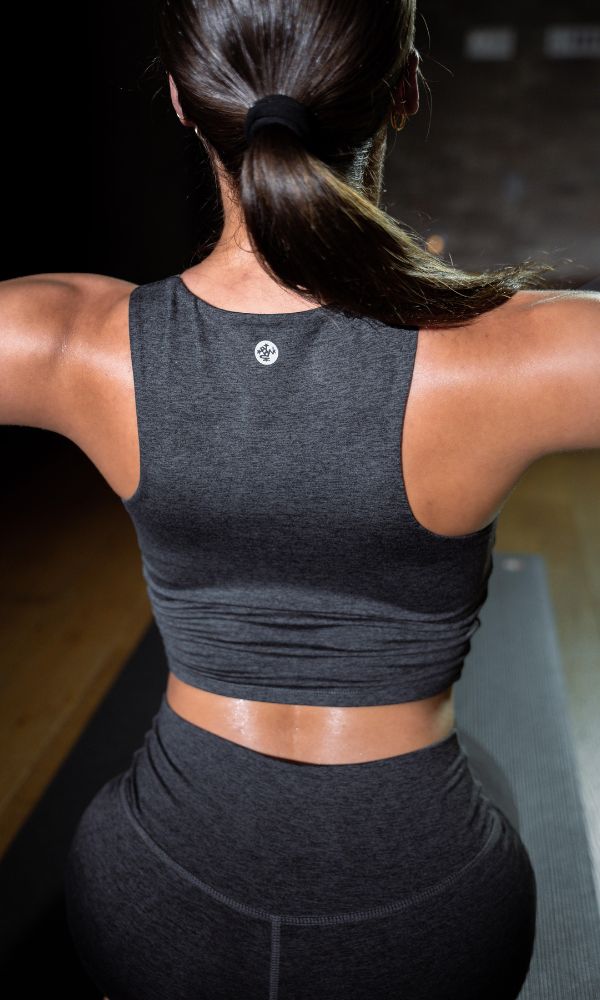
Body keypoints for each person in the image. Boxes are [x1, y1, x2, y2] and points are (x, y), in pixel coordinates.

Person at [2, 1, 599, 997]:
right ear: (405, 93)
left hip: (151, 897)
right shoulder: (514, 354)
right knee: (494, 780)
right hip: (434, 918)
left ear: (182, 103)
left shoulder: (72, 340)